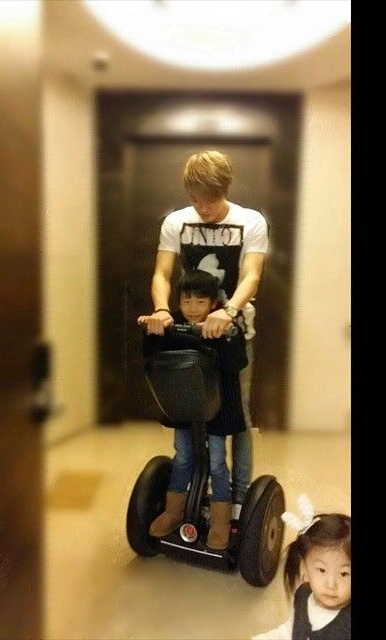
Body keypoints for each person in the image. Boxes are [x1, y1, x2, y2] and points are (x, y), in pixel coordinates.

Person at [142, 150, 269, 515]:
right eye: (195, 200)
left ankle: (240, 497)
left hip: (234, 335)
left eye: (210, 200)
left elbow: (252, 275)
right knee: (190, 410)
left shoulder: (251, 221)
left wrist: (228, 311)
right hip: (189, 336)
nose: (202, 208)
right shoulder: (176, 221)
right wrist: (162, 309)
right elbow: (162, 273)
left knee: (237, 416)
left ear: (224, 189)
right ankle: (189, 487)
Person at [138, 269, 248, 550]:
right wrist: (153, 328)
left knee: (216, 463)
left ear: (213, 303)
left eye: (200, 302)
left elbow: (238, 363)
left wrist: (226, 334)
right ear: (178, 302)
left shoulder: (224, 324)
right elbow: (152, 353)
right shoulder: (173, 323)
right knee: (184, 457)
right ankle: (174, 510)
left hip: (216, 410)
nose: (193, 308)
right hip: (185, 407)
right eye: (187, 302)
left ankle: (221, 520)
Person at [252, 495, 351, 640]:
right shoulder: (303, 595)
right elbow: (290, 631)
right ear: (305, 568)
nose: (331, 584)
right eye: (322, 570)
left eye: (344, 573)